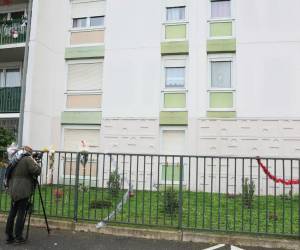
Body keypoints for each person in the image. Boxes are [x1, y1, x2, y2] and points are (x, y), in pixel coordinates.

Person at [5, 146, 41, 244]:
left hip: (13, 188)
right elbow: (36, 171)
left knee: (12, 212)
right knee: (21, 213)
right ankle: (18, 236)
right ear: (29, 152)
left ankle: (9, 236)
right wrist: (37, 163)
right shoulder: (27, 159)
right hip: (23, 189)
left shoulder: (14, 159)